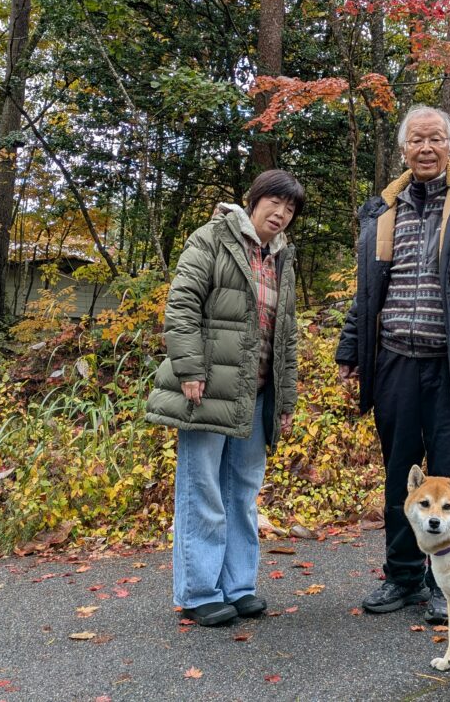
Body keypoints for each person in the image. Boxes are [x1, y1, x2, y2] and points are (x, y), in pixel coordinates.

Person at [336, 106, 450, 624]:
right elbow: (367, 292)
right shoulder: (383, 208)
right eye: (417, 140)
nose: (426, 148)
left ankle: (449, 581)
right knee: (402, 474)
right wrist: (350, 349)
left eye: (435, 139)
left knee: (447, 478)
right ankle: (402, 576)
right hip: (394, 361)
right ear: (404, 149)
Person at [147, 169, 304, 627]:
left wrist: (286, 401)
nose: (280, 213)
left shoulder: (281, 258)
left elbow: (286, 335)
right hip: (208, 388)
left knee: (242, 493)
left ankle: (238, 587)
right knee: (203, 490)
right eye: (274, 202)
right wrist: (190, 369)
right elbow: (182, 305)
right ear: (253, 200)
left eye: (290, 208)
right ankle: (199, 592)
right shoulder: (212, 239)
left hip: (256, 393)